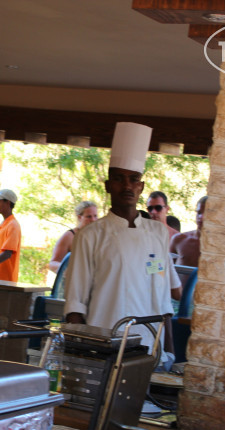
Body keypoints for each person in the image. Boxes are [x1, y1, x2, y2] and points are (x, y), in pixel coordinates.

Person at [64, 122, 182, 351]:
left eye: (134, 179)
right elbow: (75, 302)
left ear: (141, 186)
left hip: (150, 344)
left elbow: (164, 299)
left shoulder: (158, 233)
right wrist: (80, 350)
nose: (127, 186)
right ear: (108, 186)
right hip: (104, 342)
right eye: (119, 178)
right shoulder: (90, 235)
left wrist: (168, 351)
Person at [48, 200, 98, 273]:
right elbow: (53, 264)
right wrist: (70, 269)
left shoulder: (100, 236)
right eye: (88, 217)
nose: (93, 220)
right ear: (79, 217)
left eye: (95, 216)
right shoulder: (69, 236)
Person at [170, 195, 207, 267]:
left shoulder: (221, 247)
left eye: (206, 213)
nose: (201, 217)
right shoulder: (178, 240)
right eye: (199, 213)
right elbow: (167, 268)